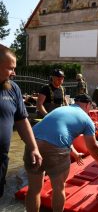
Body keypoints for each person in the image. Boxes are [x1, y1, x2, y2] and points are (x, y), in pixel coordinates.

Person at [24, 93, 98, 212]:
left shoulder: (61, 109)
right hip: (54, 149)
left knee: (34, 189)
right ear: (88, 105)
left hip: (32, 143)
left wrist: (74, 153)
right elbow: (93, 147)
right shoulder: (87, 119)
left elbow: (59, 131)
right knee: (58, 188)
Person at [0, 44, 42, 198]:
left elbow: (22, 121)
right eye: (10, 68)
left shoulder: (13, 89)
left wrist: (33, 148)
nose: (14, 73)